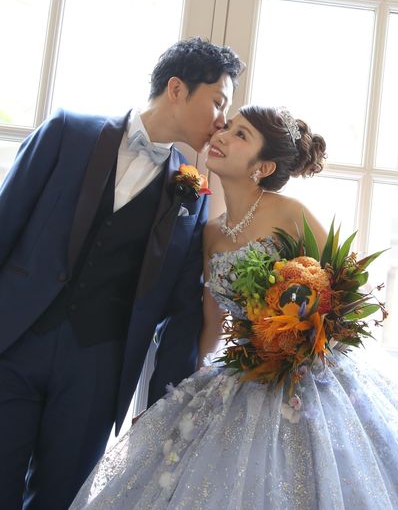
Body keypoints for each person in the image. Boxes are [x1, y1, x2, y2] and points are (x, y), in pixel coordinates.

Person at [70, 105, 398, 509]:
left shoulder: (289, 212)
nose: (221, 136)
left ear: (263, 167)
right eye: (227, 127)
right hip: (245, 373)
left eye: (240, 135)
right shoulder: (211, 232)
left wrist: (304, 333)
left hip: (309, 376)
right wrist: (182, 392)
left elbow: (351, 286)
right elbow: (212, 323)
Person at [0, 37, 244, 509]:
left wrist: (167, 411)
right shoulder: (66, 132)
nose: (221, 120)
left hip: (98, 372)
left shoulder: (193, 196)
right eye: (218, 102)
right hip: (12, 346)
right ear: (177, 88)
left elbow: (182, 312)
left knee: (61, 499)